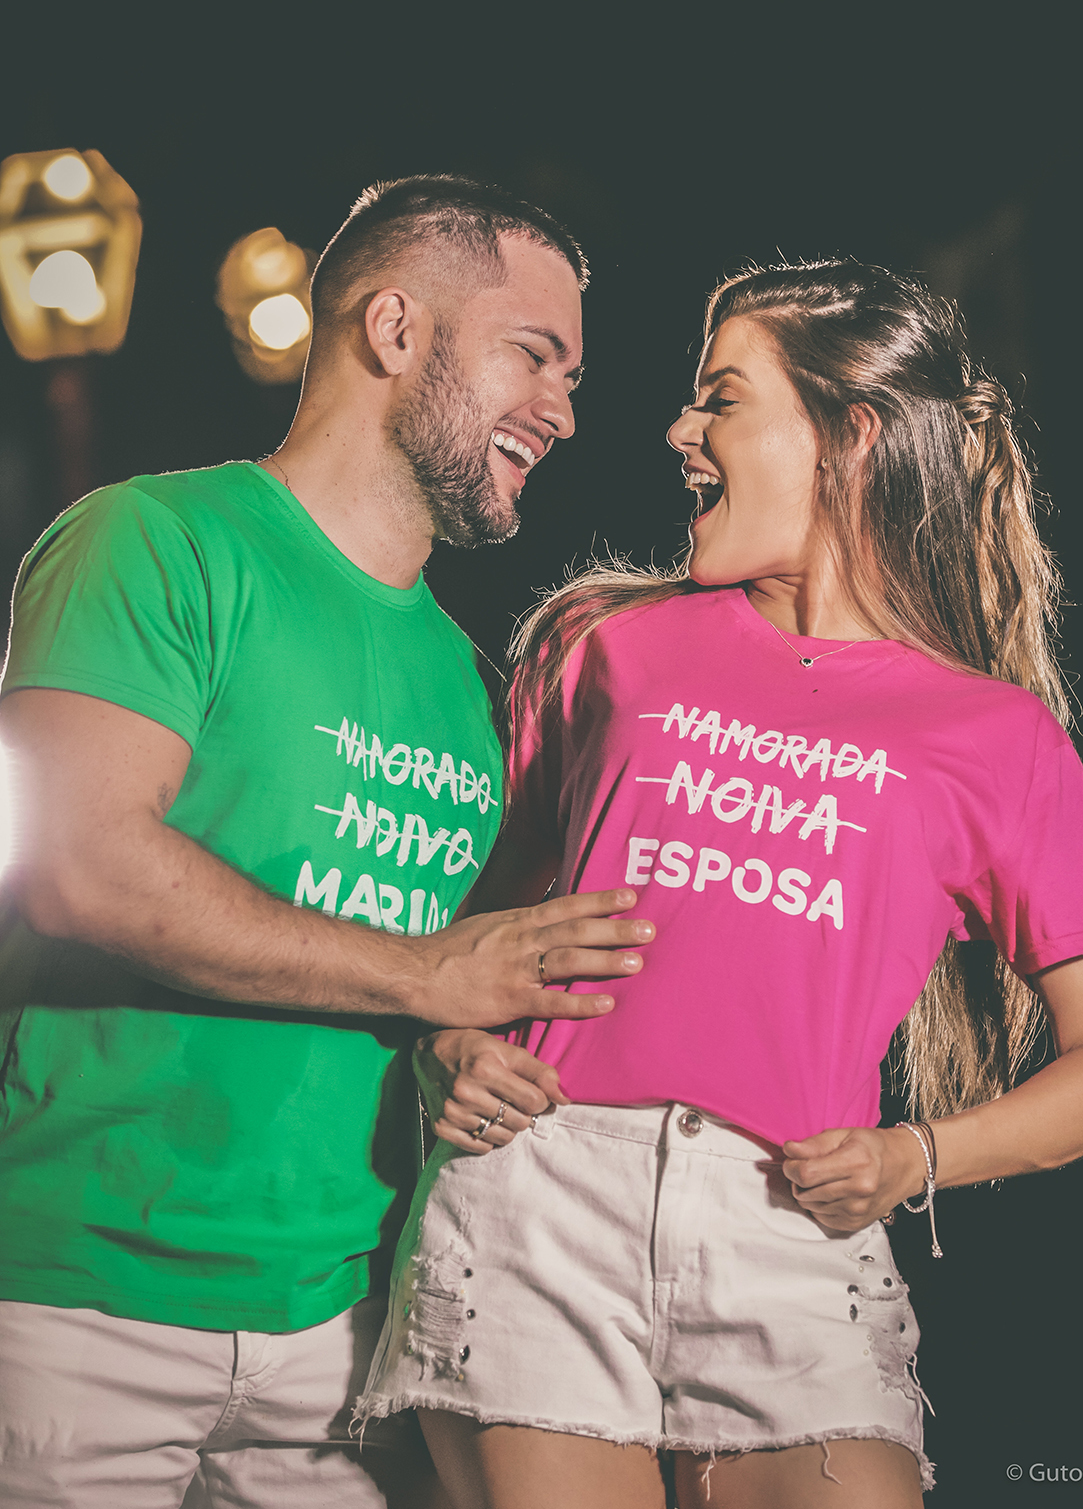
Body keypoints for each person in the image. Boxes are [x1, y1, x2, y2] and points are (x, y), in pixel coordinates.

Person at [355, 259, 1083, 1509]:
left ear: (852, 433)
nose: (681, 429)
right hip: (541, 1195)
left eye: (721, 398)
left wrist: (913, 1157)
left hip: (792, 1222)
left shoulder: (996, 736)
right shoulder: (607, 641)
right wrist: (448, 1045)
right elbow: (482, 938)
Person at [0, 175, 655, 1509]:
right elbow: (78, 865)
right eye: (534, 354)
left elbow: (454, 997)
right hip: (78, 1305)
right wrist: (430, 977)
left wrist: (454, 1046)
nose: (564, 410)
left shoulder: (481, 685)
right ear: (394, 328)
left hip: (353, 1333)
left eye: (573, 377)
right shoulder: (156, 540)